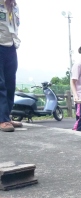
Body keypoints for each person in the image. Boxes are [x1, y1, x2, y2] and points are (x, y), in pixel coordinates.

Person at [0, 0, 22, 132]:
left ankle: (6, 116)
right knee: (0, 84)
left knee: (10, 83)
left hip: (11, 46)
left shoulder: (15, 6)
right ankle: (2, 119)